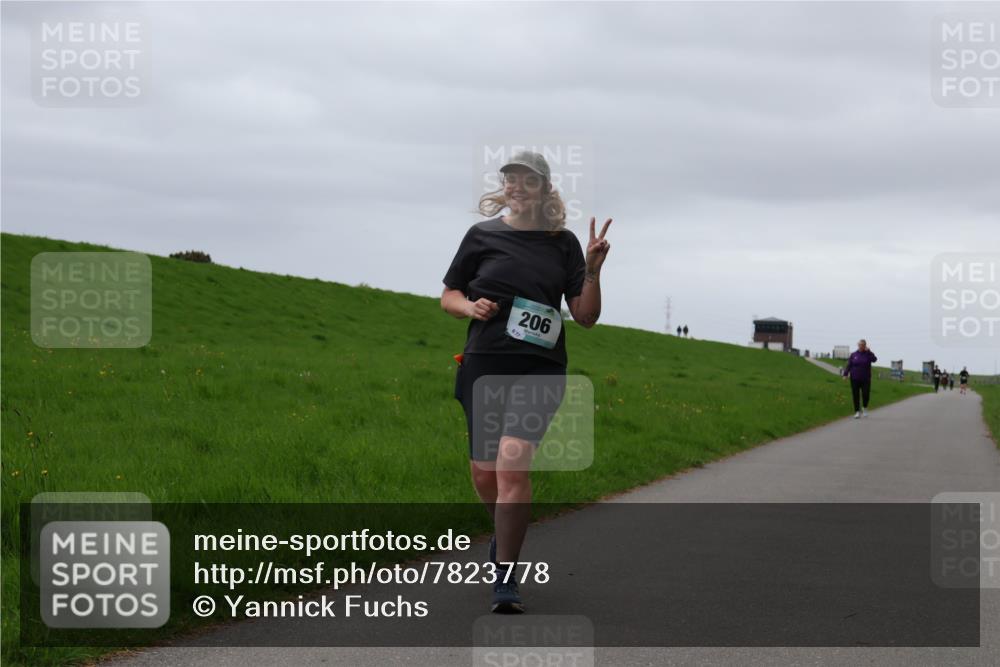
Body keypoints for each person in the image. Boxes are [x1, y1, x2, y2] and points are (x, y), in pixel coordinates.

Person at [441, 150, 611, 613]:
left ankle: (505, 579)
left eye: (527, 181)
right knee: (484, 472)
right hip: (483, 363)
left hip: (540, 369)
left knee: (513, 465)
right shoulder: (481, 236)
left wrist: (593, 268)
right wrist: (469, 308)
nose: (516, 187)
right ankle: (503, 536)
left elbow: (587, 316)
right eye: (510, 179)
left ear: (544, 189)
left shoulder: (563, 243)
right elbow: (449, 294)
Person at [842, 339, 877, 419]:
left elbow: (874, 359)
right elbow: (849, 365)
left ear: (865, 346)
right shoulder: (854, 355)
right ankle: (857, 411)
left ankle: (864, 408)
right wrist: (845, 374)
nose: (861, 346)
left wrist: (869, 351)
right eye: (860, 345)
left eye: (863, 345)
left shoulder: (868, 354)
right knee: (855, 395)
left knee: (866, 394)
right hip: (854, 378)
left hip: (866, 378)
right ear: (858, 345)